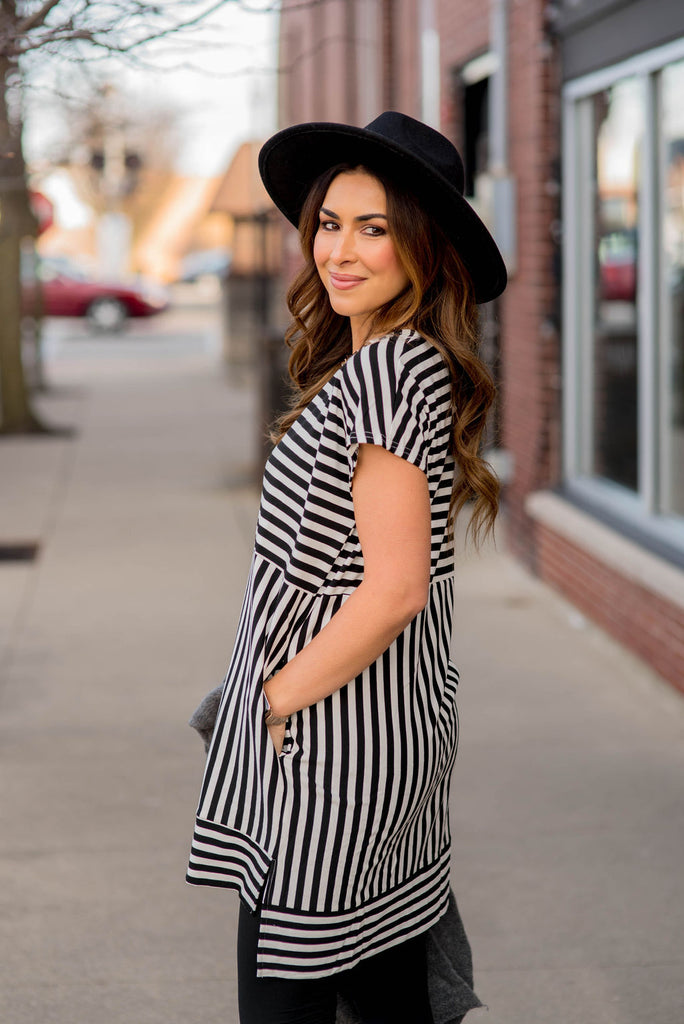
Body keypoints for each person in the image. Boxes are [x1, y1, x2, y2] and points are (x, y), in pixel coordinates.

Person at [186, 111, 507, 1024]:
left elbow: (397, 588)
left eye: (375, 228)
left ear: (424, 248)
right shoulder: (392, 362)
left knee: (288, 996)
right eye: (331, 223)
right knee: (383, 989)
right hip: (373, 732)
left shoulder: (388, 377)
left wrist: (275, 699)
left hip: (334, 748)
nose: (342, 251)